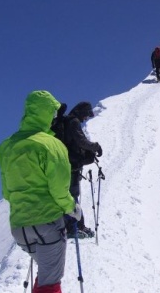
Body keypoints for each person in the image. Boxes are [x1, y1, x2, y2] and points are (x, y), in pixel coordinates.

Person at [0, 90, 82, 293]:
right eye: (53, 113)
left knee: (45, 274)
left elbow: (7, 192)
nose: (55, 117)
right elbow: (59, 189)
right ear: (46, 113)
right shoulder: (52, 145)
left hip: (19, 227)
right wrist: (72, 208)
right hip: (47, 223)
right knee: (50, 282)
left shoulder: (6, 147)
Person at [61, 101, 103, 238]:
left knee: (70, 195)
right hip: (71, 166)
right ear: (81, 112)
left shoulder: (66, 123)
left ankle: (74, 225)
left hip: (64, 165)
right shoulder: (73, 122)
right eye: (86, 116)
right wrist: (95, 147)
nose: (86, 119)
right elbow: (81, 141)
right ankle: (73, 227)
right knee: (72, 196)